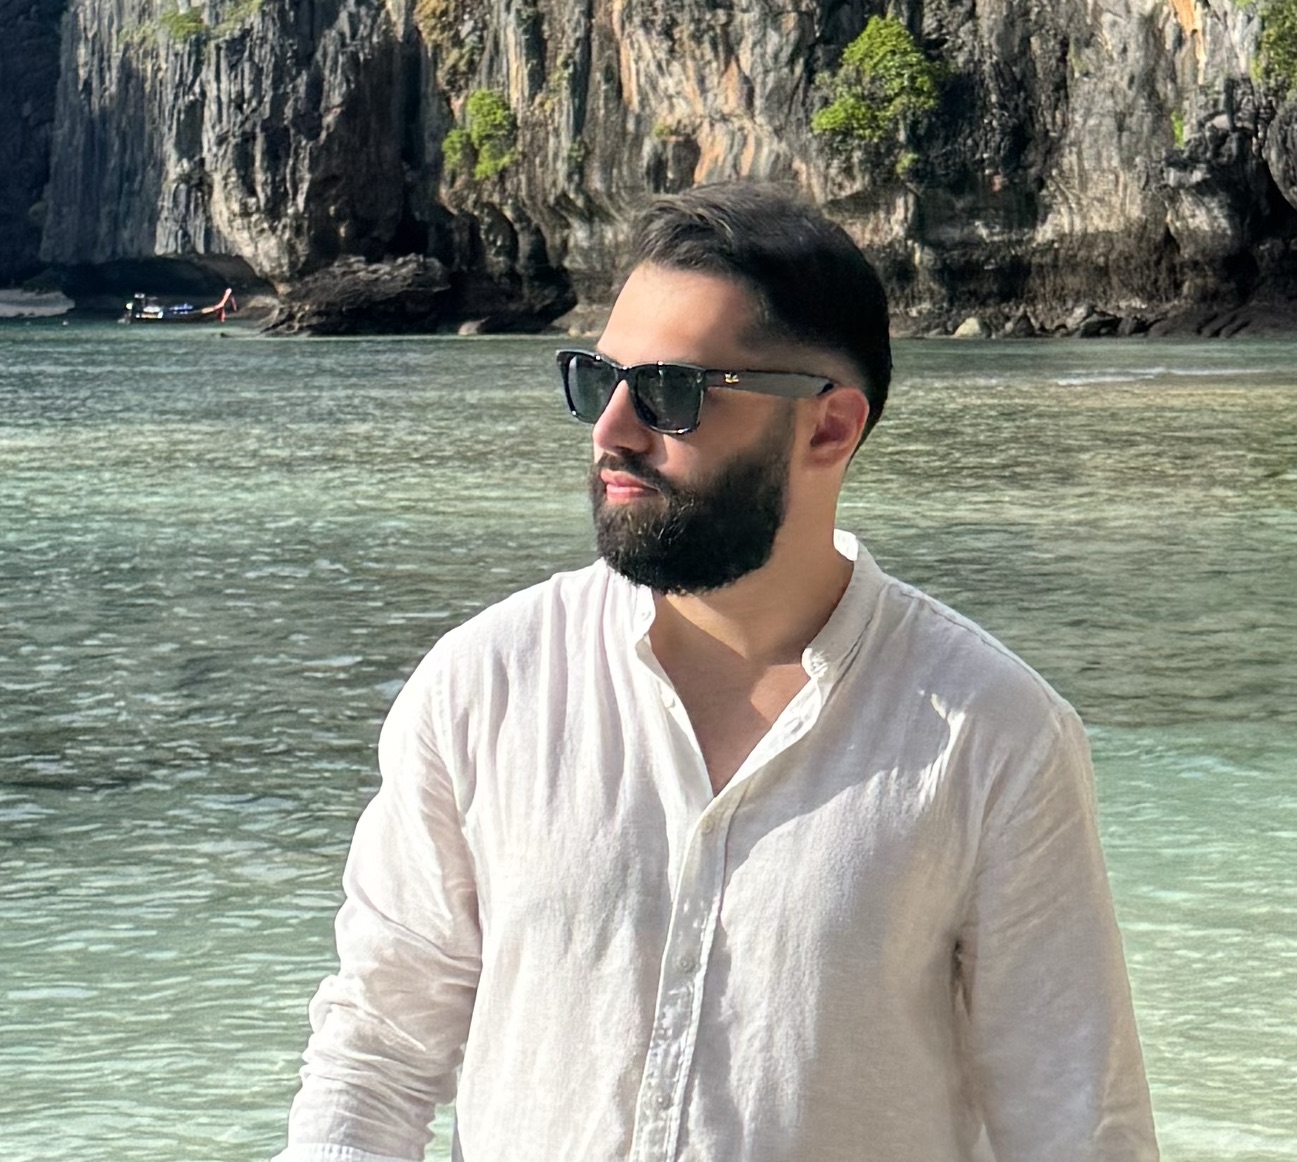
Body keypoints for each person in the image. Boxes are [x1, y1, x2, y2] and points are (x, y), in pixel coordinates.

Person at [276, 182, 1157, 1162]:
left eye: (669, 392)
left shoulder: (994, 735)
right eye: (597, 379)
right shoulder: (484, 686)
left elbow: (1075, 1124)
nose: (611, 430)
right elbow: (375, 1059)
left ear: (828, 428)